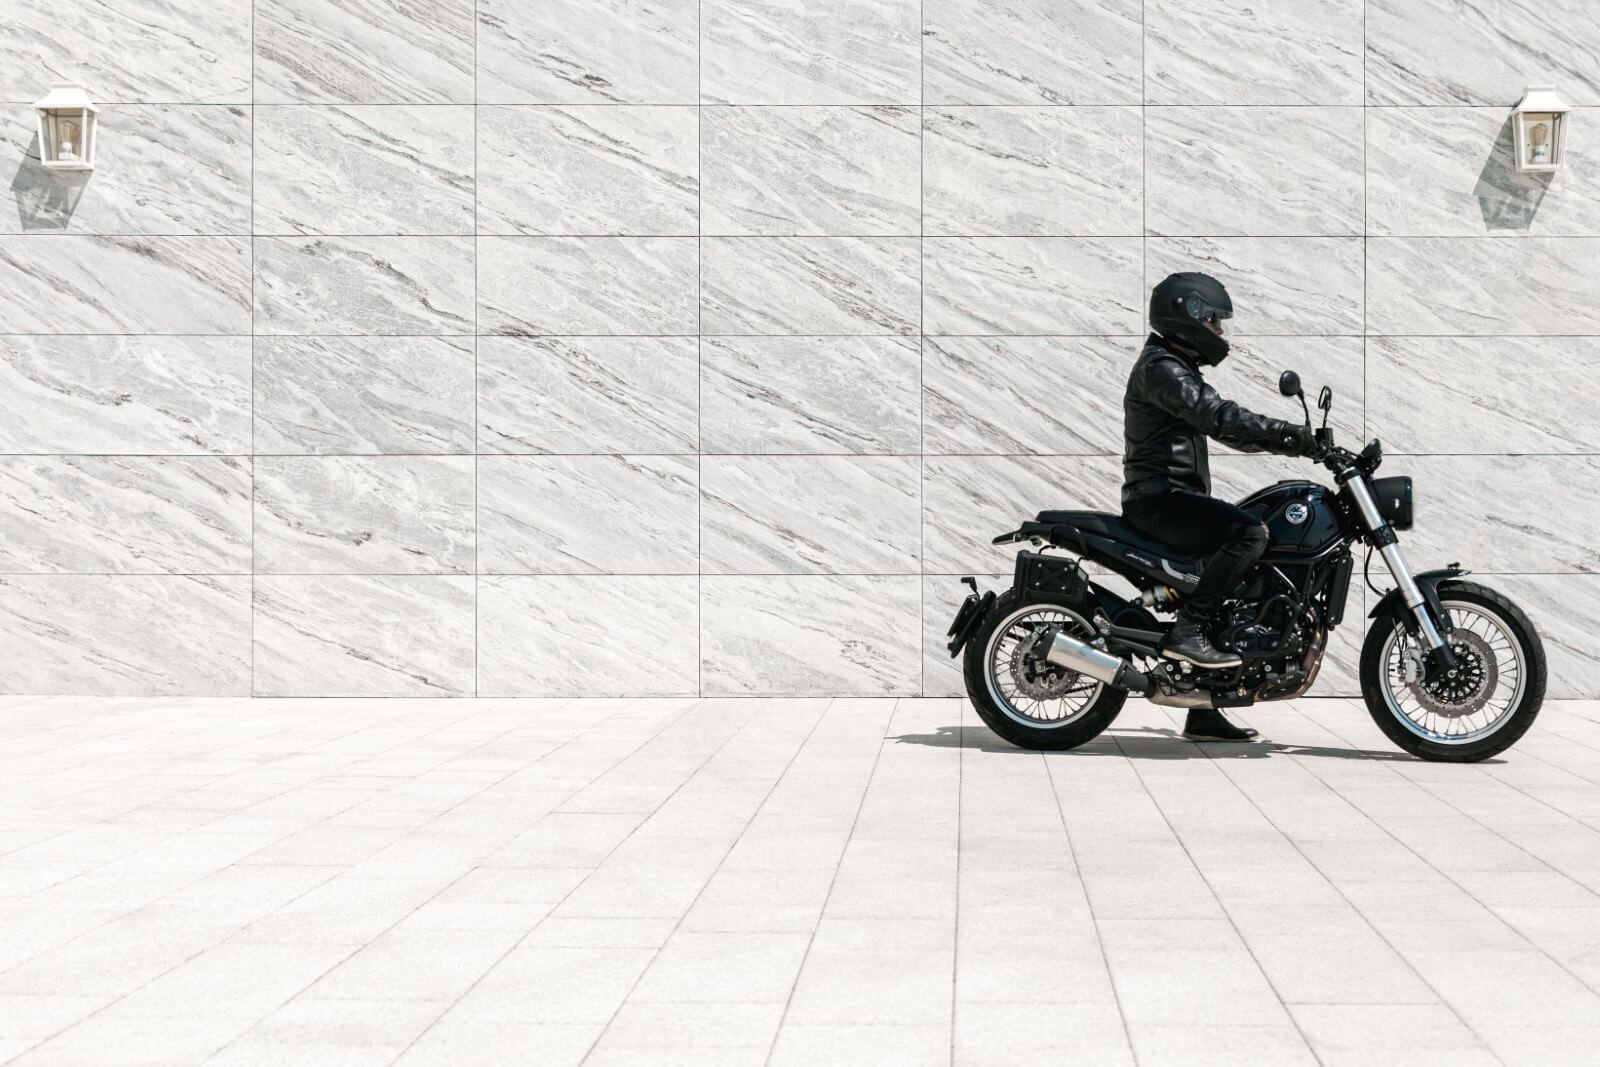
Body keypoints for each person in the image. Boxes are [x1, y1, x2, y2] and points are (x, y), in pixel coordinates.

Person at [1121, 272, 1318, 741]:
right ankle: (1189, 632)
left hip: (1176, 499)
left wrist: (1299, 445)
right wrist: (1293, 437)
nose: (1220, 332)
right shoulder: (1163, 368)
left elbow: (1222, 423)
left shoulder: (1173, 366)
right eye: (1214, 321)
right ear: (1187, 315)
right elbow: (1220, 419)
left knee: (1241, 568)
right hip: (1160, 502)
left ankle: (1204, 706)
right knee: (1249, 533)